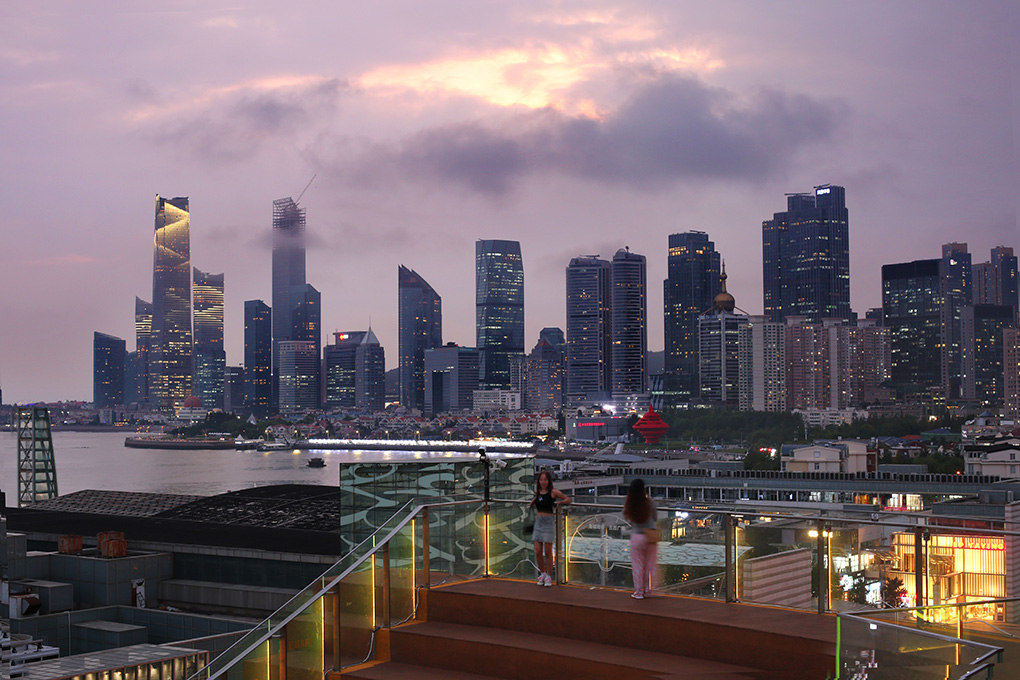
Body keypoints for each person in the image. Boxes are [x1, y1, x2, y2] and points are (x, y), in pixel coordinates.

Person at [531, 469, 571, 586]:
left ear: (549, 481)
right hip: (538, 522)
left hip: (548, 523)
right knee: (538, 551)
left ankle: (549, 575)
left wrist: (559, 504)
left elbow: (567, 499)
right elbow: (538, 501)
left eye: (545, 480)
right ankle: (542, 573)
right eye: (541, 480)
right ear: (539, 481)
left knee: (548, 551)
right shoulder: (537, 492)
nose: (543, 482)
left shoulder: (553, 492)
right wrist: (533, 501)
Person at [623, 478, 658, 599]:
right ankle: (649, 590)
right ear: (644, 489)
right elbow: (655, 518)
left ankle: (639, 592)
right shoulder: (650, 503)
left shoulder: (630, 504)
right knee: (650, 565)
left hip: (637, 536)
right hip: (650, 535)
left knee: (638, 565)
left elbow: (628, 518)